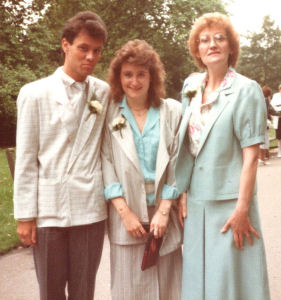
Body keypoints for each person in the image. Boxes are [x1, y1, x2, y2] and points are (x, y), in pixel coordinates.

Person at [13, 11, 109, 300]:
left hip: (90, 210)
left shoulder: (103, 92)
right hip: (49, 212)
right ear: (65, 45)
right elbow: (26, 159)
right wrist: (25, 216)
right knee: (51, 292)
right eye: (83, 48)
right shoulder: (35, 93)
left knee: (84, 292)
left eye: (97, 51)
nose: (90, 57)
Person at [175, 12, 270, 300]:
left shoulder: (246, 90)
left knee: (230, 286)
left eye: (219, 38)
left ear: (231, 47)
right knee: (197, 283)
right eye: (204, 40)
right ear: (197, 50)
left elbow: (251, 158)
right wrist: (182, 192)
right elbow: (188, 147)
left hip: (231, 205)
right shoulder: (191, 87)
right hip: (196, 203)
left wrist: (242, 210)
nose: (211, 44)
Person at [102, 39, 183, 300]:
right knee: (130, 291)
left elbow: (178, 161)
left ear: (152, 76)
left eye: (141, 74)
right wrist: (124, 213)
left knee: (170, 290)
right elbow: (106, 163)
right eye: (127, 74)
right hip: (127, 219)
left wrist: (164, 209)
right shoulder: (110, 113)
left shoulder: (171, 111)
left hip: (163, 217)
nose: (134, 81)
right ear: (118, 77)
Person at [259, 85, 272, 164]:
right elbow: (265, 111)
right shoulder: (266, 100)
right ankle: (262, 159)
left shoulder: (259, 99)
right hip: (263, 122)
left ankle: (261, 158)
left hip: (259, 122)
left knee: (261, 140)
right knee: (264, 140)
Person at [271, 83, 281, 157]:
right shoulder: (276, 96)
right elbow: (273, 106)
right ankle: (279, 152)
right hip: (278, 118)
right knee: (279, 136)